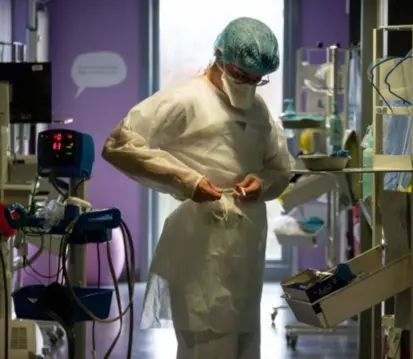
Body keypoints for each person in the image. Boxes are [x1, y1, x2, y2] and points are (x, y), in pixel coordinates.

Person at [102, 17, 293, 359]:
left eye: (256, 80)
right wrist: (188, 182)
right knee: (205, 339)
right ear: (220, 57)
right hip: (199, 245)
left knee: (245, 339)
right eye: (241, 76)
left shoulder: (257, 108)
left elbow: (280, 165)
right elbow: (120, 145)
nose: (249, 86)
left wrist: (260, 182)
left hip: (247, 244)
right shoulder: (186, 99)